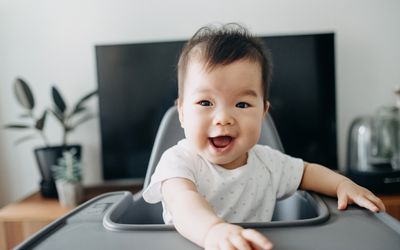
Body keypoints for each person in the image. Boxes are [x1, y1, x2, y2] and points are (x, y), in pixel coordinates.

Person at [143, 23, 385, 250]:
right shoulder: (178, 161)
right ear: (182, 113)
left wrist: (343, 184)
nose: (223, 118)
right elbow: (183, 202)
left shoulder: (269, 163)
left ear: (263, 113)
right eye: (206, 102)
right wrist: (213, 232)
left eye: (242, 104)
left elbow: (308, 172)